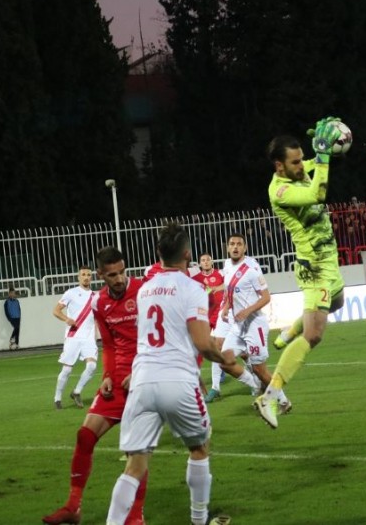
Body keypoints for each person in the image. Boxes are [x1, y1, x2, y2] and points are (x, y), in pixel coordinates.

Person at [104, 223, 234, 525]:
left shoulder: (144, 289)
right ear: (187, 254)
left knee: (135, 465)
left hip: (142, 381)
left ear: (158, 253)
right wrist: (225, 360)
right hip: (177, 381)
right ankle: (199, 520)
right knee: (199, 447)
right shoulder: (192, 288)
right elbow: (202, 343)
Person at [42, 248, 147, 525]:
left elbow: (158, 337)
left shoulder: (143, 291)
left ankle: (136, 517)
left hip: (145, 376)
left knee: (135, 450)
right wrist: (107, 376)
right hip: (119, 378)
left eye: (122, 272)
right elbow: (109, 345)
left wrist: (141, 372)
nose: (119, 279)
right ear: (100, 274)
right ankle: (73, 506)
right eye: (112, 275)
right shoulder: (99, 302)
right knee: (85, 436)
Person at [253, 119, 346, 429]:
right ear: (279, 166)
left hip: (329, 258)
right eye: (295, 162)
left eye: (301, 158)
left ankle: (289, 332)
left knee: (338, 302)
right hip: (314, 266)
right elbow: (318, 193)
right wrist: (323, 158)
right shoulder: (280, 190)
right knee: (314, 334)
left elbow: (319, 164)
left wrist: (328, 148)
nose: (301, 165)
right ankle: (270, 396)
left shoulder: (297, 169)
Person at [207, 234, 289, 411]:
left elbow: (266, 297)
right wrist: (227, 306)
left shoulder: (252, 269)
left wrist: (247, 311)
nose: (235, 247)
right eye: (232, 244)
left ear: (245, 248)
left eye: (239, 244)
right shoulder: (227, 265)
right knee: (224, 361)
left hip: (254, 325)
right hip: (238, 327)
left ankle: (283, 401)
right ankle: (256, 385)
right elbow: (230, 289)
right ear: (227, 248)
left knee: (259, 369)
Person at [52, 266, 98, 409]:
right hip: (74, 335)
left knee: (92, 366)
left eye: (88, 275)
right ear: (78, 277)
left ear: (91, 277)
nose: (86, 277)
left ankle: (76, 392)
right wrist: (67, 319)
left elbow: (96, 318)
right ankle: (57, 398)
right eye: (83, 274)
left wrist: (96, 336)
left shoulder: (95, 296)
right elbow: (56, 311)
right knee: (67, 370)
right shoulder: (71, 293)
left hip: (89, 338)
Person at [192, 252, 228, 402]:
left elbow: (228, 284)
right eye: (203, 260)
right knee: (204, 344)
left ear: (211, 262)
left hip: (220, 313)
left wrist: (216, 288)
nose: (206, 262)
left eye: (208, 259)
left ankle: (219, 372)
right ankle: (219, 366)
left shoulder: (220, 274)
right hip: (205, 314)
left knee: (221, 344)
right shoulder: (196, 278)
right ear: (200, 264)